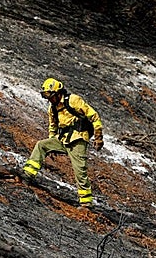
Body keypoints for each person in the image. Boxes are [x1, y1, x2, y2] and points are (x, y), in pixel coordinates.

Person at [22, 78, 104, 208]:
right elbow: (53, 126)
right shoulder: (53, 108)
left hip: (78, 138)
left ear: (58, 93)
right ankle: (27, 175)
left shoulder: (73, 100)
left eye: (51, 96)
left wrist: (98, 137)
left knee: (79, 170)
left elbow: (94, 117)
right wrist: (52, 142)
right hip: (63, 139)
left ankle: (86, 202)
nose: (49, 100)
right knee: (41, 145)